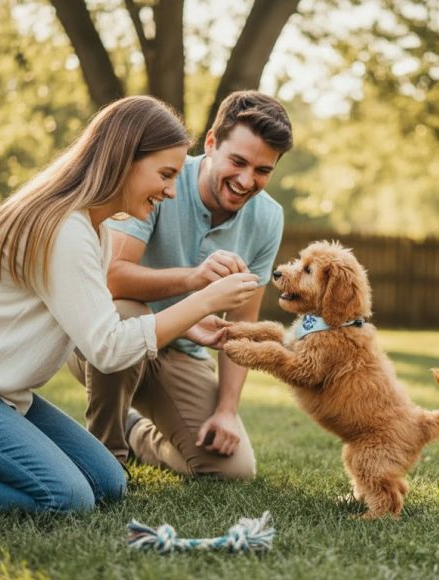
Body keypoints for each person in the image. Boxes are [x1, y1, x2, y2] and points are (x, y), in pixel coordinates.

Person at [0, 96, 260, 513]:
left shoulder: (92, 229)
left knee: (110, 485)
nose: (172, 191)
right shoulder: (64, 230)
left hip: (12, 400)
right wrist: (201, 301)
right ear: (124, 160)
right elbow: (107, 349)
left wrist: (187, 324)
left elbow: (96, 317)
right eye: (165, 174)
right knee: (67, 499)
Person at [67, 90, 293, 479]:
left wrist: (226, 411)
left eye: (262, 171)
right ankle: (106, 458)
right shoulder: (162, 179)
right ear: (210, 143)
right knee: (125, 314)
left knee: (231, 470)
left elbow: (242, 327)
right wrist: (194, 280)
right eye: (238, 162)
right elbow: (112, 279)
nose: (245, 180)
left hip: (182, 354)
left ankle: (136, 432)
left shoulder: (268, 219)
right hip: (110, 337)